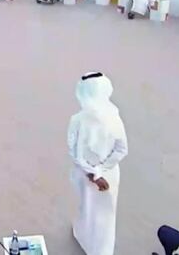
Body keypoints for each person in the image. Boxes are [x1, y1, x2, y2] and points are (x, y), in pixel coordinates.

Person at [68, 72, 128, 255]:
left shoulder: (77, 120)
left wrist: (93, 172)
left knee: (90, 209)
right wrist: (99, 172)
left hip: (86, 173)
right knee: (99, 212)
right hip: (107, 175)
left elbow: (73, 152)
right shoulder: (114, 117)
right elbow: (121, 150)